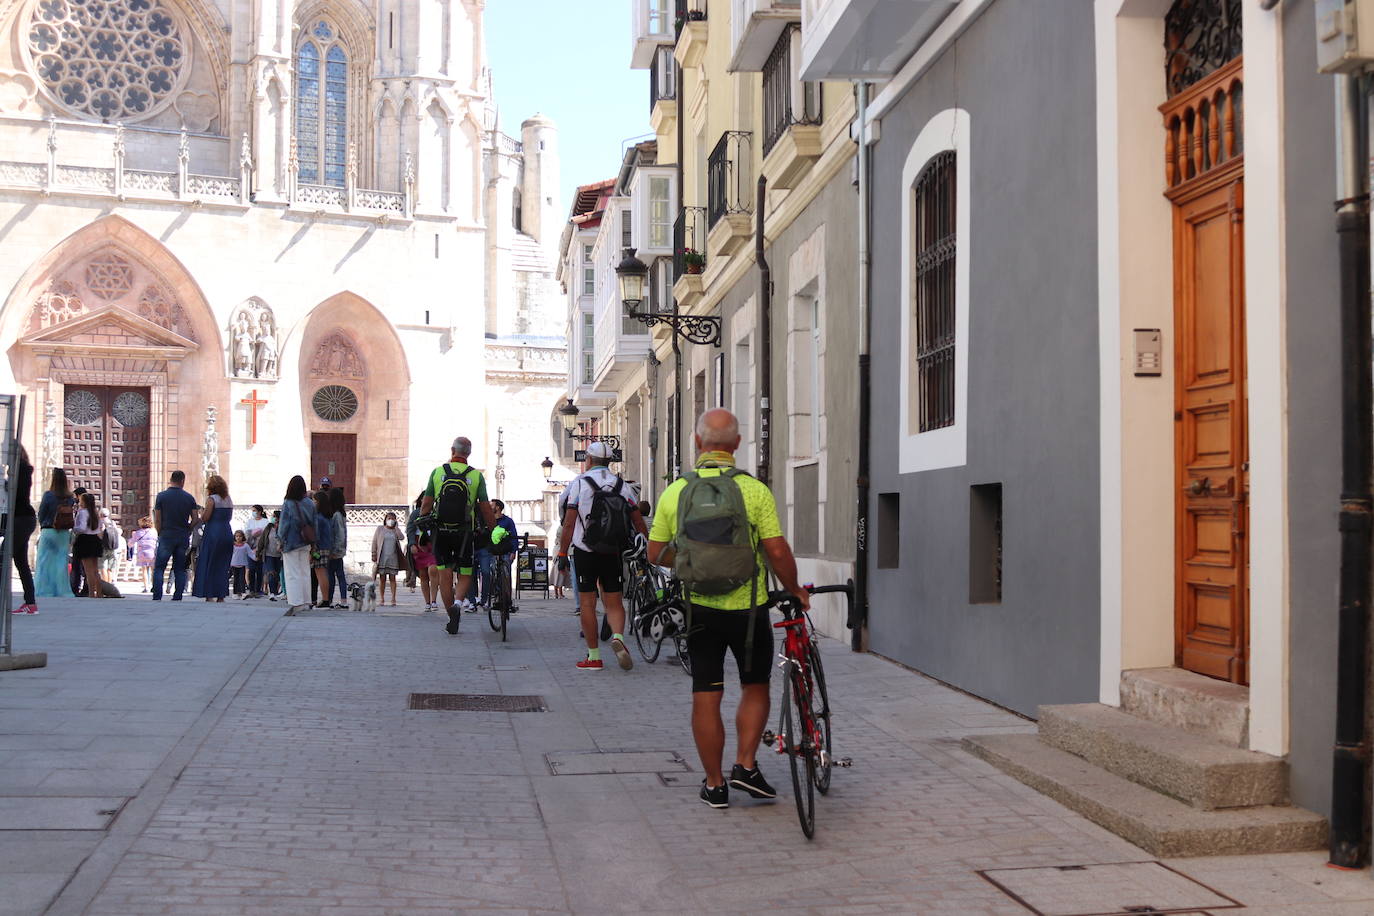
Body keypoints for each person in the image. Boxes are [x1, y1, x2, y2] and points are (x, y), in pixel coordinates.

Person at [647, 408, 809, 810]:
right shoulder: (754, 491)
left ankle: (715, 785)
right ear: (737, 445)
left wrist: (692, 564)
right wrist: (795, 590)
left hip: (700, 608)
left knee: (706, 694)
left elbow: (655, 552)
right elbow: (775, 549)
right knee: (754, 686)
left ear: (697, 443)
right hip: (749, 610)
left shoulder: (675, 492)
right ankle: (746, 765)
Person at [556, 441, 649, 671]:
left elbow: (568, 522)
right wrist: (646, 544)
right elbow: (637, 520)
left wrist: (561, 552)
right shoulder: (621, 485)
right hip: (612, 551)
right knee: (615, 602)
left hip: (585, 551)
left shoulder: (579, 484)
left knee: (588, 604)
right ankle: (618, 637)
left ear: (588, 460)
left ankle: (594, 656)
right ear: (610, 462)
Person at [418, 436, 496, 635]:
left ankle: (450, 617)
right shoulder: (476, 476)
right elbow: (486, 508)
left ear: (452, 450)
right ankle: (459, 603)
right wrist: (493, 529)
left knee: (445, 574)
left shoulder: (437, 472)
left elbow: (426, 504)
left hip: (441, 531)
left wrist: (422, 523)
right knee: (465, 573)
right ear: (468, 453)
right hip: (464, 531)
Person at [151, 470, 197, 601]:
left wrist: (159, 531)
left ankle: (157, 595)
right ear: (182, 481)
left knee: (160, 567)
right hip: (182, 536)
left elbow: (158, 518)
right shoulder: (189, 497)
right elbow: (195, 518)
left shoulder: (161, 496)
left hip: (166, 534)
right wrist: (188, 529)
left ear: (171, 480)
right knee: (180, 568)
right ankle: (178, 595)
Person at [278, 476, 317, 612]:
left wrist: (280, 540)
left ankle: (296, 602)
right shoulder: (310, 503)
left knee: (292, 572)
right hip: (306, 542)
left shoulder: (288, 503)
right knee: (305, 572)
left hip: (291, 541)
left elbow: (284, 524)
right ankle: (306, 601)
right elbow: (314, 523)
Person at [192, 475, 233, 602]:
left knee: (209, 562)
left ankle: (209, 593)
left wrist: (201, 514)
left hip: (213, 533)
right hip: (226, 531)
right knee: (222, 565)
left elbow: (206, 517)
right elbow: (229, 517)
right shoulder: (228, 499)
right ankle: (221, 595)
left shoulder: (211, 499)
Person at [35, 467, 75, 601]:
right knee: (60, 562)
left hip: (49, 530)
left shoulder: (48, 495)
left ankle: (45, 590)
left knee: (44, 562)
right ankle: (62, 590)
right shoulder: (70, 497)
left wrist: (43, 524)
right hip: (64, 533)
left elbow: (41, 513)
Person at [7, 445, 36, 614]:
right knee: (21, 563)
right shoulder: (21, 470)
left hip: (21, 518)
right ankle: (30, 603)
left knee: (3, 558)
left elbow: (17, 494)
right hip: (22, 519)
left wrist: (6, 486)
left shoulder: (21, 470)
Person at [482, 499, 519, 609]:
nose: (489, 507)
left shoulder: (507, 521)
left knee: (506, 575)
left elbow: (514, 536)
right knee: (493, 573)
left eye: (491, 505)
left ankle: (508, 601)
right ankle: (496, 597)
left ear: (497, 507)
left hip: (505, 551)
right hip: (492, 551)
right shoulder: (488, 520)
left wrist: (514, 551)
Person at [72, 491, 103, 599]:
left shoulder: (82, 512)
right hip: (95, 539)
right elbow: (100, 528)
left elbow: (81, 528)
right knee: (95, 570)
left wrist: (73, 528)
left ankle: (91, 593)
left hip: (85, 540)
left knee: (88, 569)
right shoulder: (95, 513)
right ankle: (99, 593)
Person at [372, 511, 404, 607]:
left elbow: (401, 537)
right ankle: (382, 598)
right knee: (382, 579)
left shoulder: (395, 530)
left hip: (393, 557)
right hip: (382, 557)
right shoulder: (380, 529)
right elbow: (374, 542)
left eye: (392, 519)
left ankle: (393, 598)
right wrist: (373, 554)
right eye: (389, 518)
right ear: (385, 519)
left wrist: (396, 527)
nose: (390, 520)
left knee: (392, 578)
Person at [327, 488, 349, 609]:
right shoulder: (340, 514)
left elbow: (339, 534)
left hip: (335, 551)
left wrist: (335, 550)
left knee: (334, 575)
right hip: (338, 550)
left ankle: (333, 599)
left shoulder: (336, 515)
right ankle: (341, 599)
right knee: (338, 575)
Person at [243, 505, 269, 597]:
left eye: (254, 510)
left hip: (261, 548)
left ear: (260, 511)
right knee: (251, 569)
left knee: (259, 570)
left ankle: (258, 589)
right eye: (252, 511)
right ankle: (251, 589)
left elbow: (266, 534)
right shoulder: (249, 522)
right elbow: (246, 534)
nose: (253, 512)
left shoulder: (265, 522)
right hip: (251, 548)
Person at [128, 516, 157, 592]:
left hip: (142, 553)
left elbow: (131, 543)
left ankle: (146, 587)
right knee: (153, 570)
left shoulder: (138, 532)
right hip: (152, 552)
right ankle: (154, 586)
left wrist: (129, 545)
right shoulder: (154, 532)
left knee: (144, 570)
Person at [261, 510, 283, 599]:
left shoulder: (281, 528)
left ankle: (276, 591)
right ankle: (272, 592)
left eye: (274, 516)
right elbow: (262, 539)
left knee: (277, 573)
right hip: (268, 554)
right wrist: (259, 551)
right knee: (271, 572)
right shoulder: (268, 528)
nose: (273, 518)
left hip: (279, 555)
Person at [97, 508, 121, 583]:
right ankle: (109, 584)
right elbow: (118, 533)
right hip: (112, 547)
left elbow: (99, 535)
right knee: (110, 568)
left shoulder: (100, 523)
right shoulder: (112, 522)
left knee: (102, 567)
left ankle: (106, 585)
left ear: (100, 514)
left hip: (102, 547)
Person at [230, 530, 252, 596]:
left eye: (240, 536)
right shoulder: (232, 545)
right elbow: (229, 553)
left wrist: (255, 558)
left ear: (243, 537)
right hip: (234, 564)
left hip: (242, 564)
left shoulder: (245, 545)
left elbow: (250, 553)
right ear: (234, 537)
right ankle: (235, 593)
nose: (238, 538)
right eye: (237, 536)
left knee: (242, 579)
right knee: (236, 579)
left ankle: (243, 593)